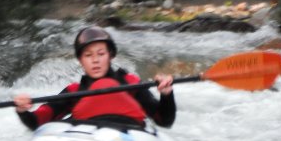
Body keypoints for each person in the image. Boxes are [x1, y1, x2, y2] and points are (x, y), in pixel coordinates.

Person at [14, 26, 176, 130]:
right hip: (86, 139)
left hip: (129, 136)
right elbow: (38, 121)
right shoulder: (74, 91)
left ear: (110, 55)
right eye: (88, 55)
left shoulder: (130, 82)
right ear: (81, 60)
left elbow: (164, 120)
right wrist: (23, 111)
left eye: (101, 54)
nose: (95, 60)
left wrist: (166, 94)